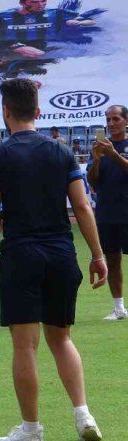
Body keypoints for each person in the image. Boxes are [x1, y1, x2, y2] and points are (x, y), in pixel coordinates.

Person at [0, 78, 106, 441]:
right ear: (38, 111)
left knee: (25, 345)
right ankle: (83, 414)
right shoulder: (62, 153)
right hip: (62, 253)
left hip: (20, 254)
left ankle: (31, 429)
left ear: (5, 112)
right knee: (62, 338)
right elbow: (81, 207)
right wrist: (96, 255)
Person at [87, 105, 128, 321]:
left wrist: (113, 154)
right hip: (107, 213)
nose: (111, 123)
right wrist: (97, 160)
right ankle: (119, 308)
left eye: (116, 119)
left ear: (126, 121)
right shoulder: (100, 148)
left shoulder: (118, 147)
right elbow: (92, 182)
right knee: (112, 260)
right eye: (108, 119)